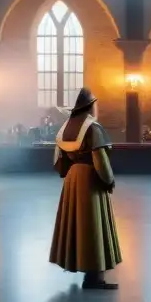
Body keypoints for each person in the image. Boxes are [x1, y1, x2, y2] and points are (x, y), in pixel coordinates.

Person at [49, 87, 122, 290]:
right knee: (93, 225)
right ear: (90, 106)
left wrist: (70, 173)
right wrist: (108, 180)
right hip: (90, 178)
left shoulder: (66, 127)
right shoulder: (92, 128)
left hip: (73, 179)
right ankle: (94, 278)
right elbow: (100, 159)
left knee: (77, 224)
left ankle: (79, 264)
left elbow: (59, 160)